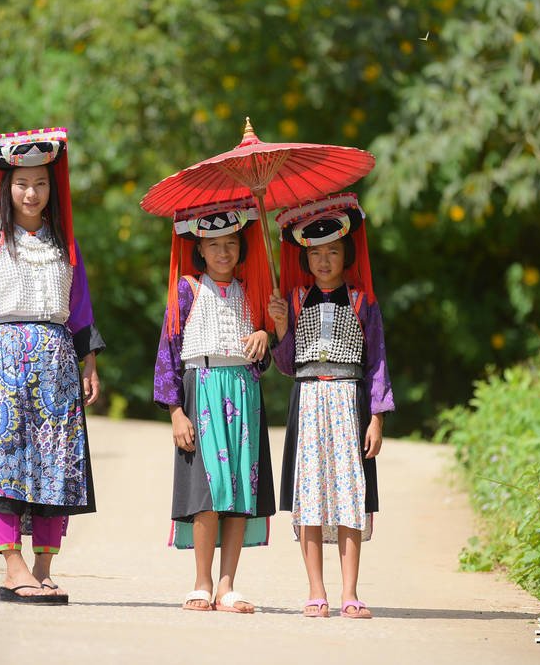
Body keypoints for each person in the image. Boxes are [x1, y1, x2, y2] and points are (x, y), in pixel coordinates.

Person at [0, 127, 105, 605]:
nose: (31, 193)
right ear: (6, 185)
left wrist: (90, 365)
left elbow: (80, 311)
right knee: (6, 464)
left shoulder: (67, 245)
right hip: (5, 364)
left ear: (51, 187)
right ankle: (11, 566)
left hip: (59, 363)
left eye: (40, 183)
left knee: (54, 465)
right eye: (22, 183)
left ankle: (43, 566)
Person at [267, 193, 395, 619]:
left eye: (332, 252)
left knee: (348, 494)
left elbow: (376, 361)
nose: (323, 261)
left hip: (348, 400)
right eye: (316, 253)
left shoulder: (362, 302)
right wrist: (282, 327)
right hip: (307, 400)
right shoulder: (296, 300)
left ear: (346, 254)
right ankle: (316, 590)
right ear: (306, 257)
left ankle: (351, 592)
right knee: (310, 493)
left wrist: (375, 417)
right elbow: (287, 366)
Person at [153, 197, 276, 614]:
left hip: (243, 394)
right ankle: (201, 581)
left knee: (239, 490)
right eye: (215, 244)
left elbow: (264, 360)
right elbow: (168, 351)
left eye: (232, 244)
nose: (224, 252)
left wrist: (266, 333)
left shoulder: (255, 293)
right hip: (201, 390)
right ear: (200, 248)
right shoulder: (187, 290)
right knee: (208, 491)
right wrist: (175, 412)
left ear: (241, 248)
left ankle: (228, 585)